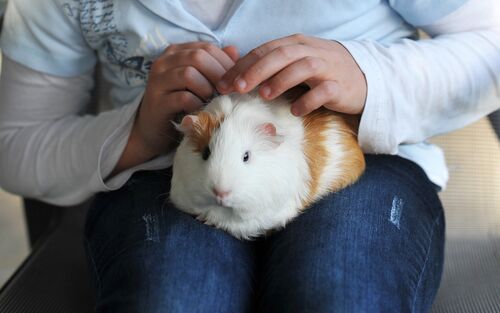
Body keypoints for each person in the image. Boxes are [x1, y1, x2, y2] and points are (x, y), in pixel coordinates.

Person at [0, 0, 499, 312]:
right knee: (172, 299)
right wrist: (136, 131)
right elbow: (14, 144)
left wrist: (368, 75)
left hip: (366, 168)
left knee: (342, 292)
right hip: (158, 177)